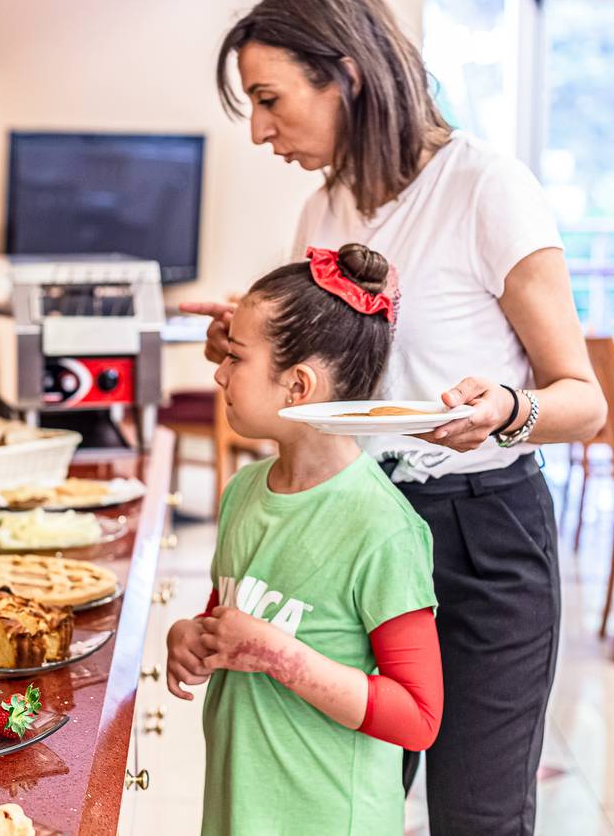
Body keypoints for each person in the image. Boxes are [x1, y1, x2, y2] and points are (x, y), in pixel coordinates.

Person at [183, 0, 607, 836]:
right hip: (356, 527)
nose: (261, 130)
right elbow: (322, 374)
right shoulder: (322, 211)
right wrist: (248, 345)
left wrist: (506, 409)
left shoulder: (486, 188)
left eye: (270, 99)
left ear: (346, 74)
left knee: (476, 816)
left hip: (480, 532)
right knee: (346, 796)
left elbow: (583, 400)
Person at [167, 242, 443, 836]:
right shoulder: (243, 491)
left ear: (297, 386)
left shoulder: (382, 527)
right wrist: (192, 635)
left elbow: (419, 717)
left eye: (235, 358)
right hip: (240, 810)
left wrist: (274, 655)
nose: (218, 371)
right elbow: (234, 613)